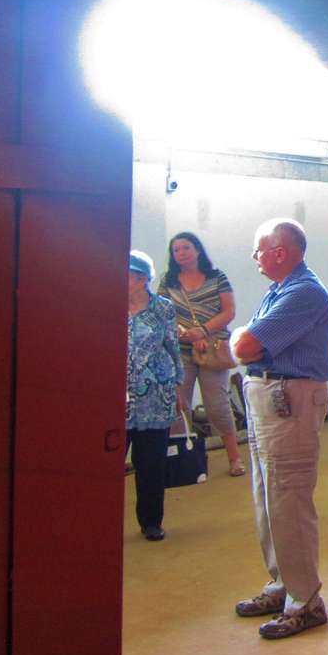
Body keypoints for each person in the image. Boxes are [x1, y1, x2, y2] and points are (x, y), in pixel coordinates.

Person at [230, 218, 328, 640]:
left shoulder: (303, 293)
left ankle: (306, 601)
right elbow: (245, 343)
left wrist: (239, 335)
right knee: (267, 497)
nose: (254, 257)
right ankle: (284, 584)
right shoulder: (281, 291)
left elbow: (243, 346)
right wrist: (243, 336)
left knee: (287, 499)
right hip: (271, 402)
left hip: (288, 403)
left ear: (280, 252)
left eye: (259, 250)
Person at [157, 231, 245, 476]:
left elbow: (229, 312)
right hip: (180, 350)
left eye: (186, 248)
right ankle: (184, 458)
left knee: (217, 406)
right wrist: (185, 332)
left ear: (197, 250)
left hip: (214, 349)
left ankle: (235, 458)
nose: (181, 254)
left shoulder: (217, 277)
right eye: (176, 250)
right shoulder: (168, 280)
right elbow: (163, 312)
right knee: (178, 405)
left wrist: (202, 332)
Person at [126, 249, 184, 542]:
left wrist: (178, 386)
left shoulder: (162, 308)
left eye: (128, 275)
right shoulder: (105, 304)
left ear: (142, 279)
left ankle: (151, 522)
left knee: (151, 463)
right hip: (116, 399)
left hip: (155, 396)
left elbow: (173, 348)